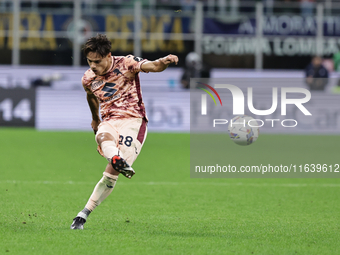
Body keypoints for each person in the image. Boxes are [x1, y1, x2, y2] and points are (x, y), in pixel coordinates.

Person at [70, 34, 178, 230]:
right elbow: (91, 96)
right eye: (89, 61)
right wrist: (95, 118)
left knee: (111, 175)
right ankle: (81, 216)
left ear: (108, 56)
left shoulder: (126, 63)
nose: (93, 66)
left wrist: (164, 61)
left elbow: (153, 66)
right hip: (110, 120)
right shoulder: (88, 78)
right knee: (102, 135)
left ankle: (85, 211)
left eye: (97, 61)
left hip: (133, 122)